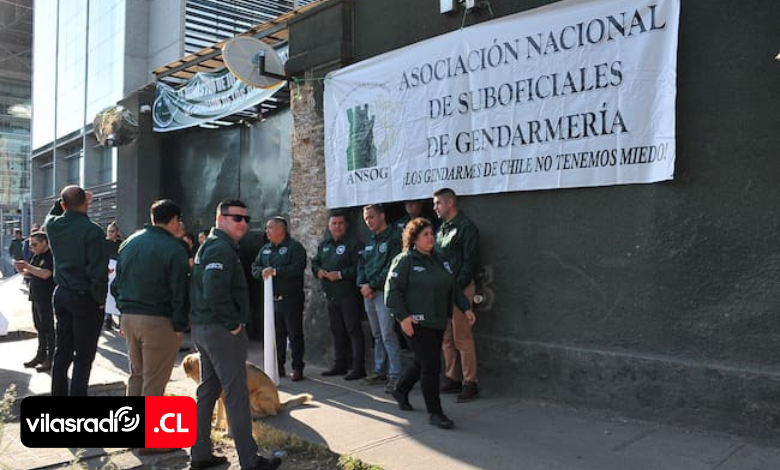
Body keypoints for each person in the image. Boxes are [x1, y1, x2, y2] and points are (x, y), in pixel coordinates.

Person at [190, 200, 282, 470]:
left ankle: (200, 455)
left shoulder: (215, 245)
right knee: (236, 394)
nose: (243, 223)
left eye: (245, 218)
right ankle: (250, 461)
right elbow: (214, 290)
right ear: (221, 219)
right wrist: (232, 324)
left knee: (208, 391)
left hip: (205, 328)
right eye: (236, 218)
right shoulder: (219, 247)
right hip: (220, 330)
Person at [385, 217, 474, 429]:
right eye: (425, 234)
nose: (431, 238)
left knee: (422, 361)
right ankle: (435, 412)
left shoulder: (440, 260)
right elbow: (392, 291)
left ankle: (401, 388)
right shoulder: (405, 260)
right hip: (414, 322)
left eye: (432, 234)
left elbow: (452, 286)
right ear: (414, 239)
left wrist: (466, 307)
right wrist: (403, 317)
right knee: (432, 365)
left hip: (437, 320)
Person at [112, 200, 189, 397]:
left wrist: (123, 310)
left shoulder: (129, 242)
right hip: (158, 320)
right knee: (154, 382)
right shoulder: (174, 248)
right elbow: (179, 290)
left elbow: (115, 285)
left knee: (137, 375)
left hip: (129, 317)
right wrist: (180, 325)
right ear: (174, 220)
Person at [44, 185, 109, 396]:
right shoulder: (93, 230)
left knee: (61, 352)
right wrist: (100, 299)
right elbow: (97, 272)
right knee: (83, 356)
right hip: (85, 297)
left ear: (63, 205)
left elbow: (52, 213)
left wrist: (63, 202)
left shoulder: (53, 225)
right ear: (86, 203)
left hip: (61, 292)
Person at [433, 188, 481, 402]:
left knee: (462, 337)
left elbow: (470, 262)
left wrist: (457, 288)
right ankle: (452, 377)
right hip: (443, 290)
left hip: (461, 289)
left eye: (437, 204)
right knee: (446, 337)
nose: (435, 208)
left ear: (450, 202)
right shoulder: (441, 229)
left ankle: (470, 382)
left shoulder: (466, 227)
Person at [311, 211, 366, 380]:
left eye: (340, 223)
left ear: (346, 225)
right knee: (336, 330)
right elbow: (315, 262)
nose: (337, 227)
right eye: (334, 224)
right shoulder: (325, 244)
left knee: (353, 330)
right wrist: (318, 271)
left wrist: (341, 274)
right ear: (329, 226)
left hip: (348, 295)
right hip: (331, 296)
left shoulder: (354, 244)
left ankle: (358, 368)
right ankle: (340, 364)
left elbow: (360, 266)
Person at [251, 216, 307, 381]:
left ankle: (297, 367)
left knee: (294, 333)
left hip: (291, 298)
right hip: (271, 300)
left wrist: (276, 271)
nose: (267, 231)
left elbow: (297, 269)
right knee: (276, 335)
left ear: (281, 229)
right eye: (267, 228)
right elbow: (255, 267)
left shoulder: (294, 248)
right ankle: (278, 366)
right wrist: (261, 272)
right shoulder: (265, 249)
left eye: (270, 228)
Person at [357, 204, 402, 393]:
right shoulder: (371, 240)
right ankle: (379, 370)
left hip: (384, 292)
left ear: (382, 216)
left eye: (372, 217)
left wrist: (372, 284)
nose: (368, 222)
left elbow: (392, 266)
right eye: (366, 219)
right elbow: (362, 264)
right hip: (368, 293)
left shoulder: (393, 238)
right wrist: (362, 284)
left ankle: (395, 374)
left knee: (387, 334)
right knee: (376, 335)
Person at [14, 231, 56, 372]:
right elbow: (32, 272)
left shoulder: (51, 256)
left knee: (48, 328)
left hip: (46, 297)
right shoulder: (37, 256)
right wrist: (22, 269)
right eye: (31, 245)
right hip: (36, 296)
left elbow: (45, 274)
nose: (32, 248)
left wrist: (28, 266)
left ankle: (51, 357)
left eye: (35, 244)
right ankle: (41, 354)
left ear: (44, 242)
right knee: (39, 327)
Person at [104, 221, 123, 330]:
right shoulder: (104, 243)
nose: (109, 234)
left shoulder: (121, 243)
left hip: (118, 270)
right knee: (108, 296)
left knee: (117, 294)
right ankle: (108, 319)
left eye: (112, 231)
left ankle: (120, 320)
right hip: (108, 270)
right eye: (108, 231)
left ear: (117, 232)